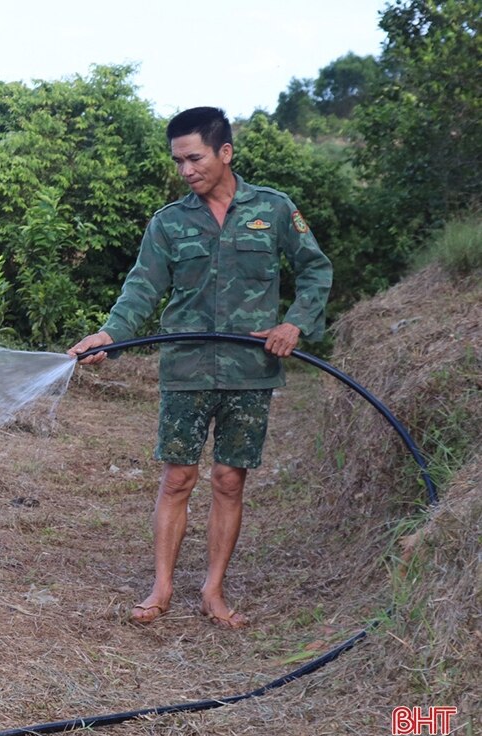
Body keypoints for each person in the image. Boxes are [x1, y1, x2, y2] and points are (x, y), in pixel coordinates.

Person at [67, 107, 332, 629]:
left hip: (251, 368)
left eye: (195, 158)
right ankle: (161, 587)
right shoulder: (169, 222)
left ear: (224, 152)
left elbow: (315, 270)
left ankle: (213, 589)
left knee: (230, 480)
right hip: (186, 367)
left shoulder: (273, 210)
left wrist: (293, 325)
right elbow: (141, 288)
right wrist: (110, 335)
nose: (186, 170)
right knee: (178, 477)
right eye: (178, 161)